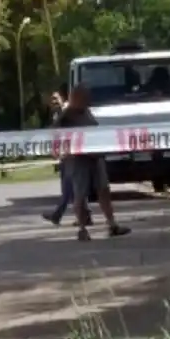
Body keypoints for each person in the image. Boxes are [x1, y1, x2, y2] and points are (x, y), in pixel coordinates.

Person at [57, 83, 131, 241]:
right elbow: (57, 135)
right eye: (83, 97)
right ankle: (82, 229)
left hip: (95, 156)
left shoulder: (87, 112)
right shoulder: (66, 116)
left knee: (103, 190)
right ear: (75, 98)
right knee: (80, 194)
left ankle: (112, 225)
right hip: (78, 160)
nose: (87, 100)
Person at [43, 88, 79, 226]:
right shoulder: (56, 114)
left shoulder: (67, 112)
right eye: (52, 100)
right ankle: (80, 215)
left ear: (62, 99)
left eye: (56, 99)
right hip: (65, 154)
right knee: (70, 188)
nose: (54, 102)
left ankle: (58, 215)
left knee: (70, 187)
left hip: (72, 154)